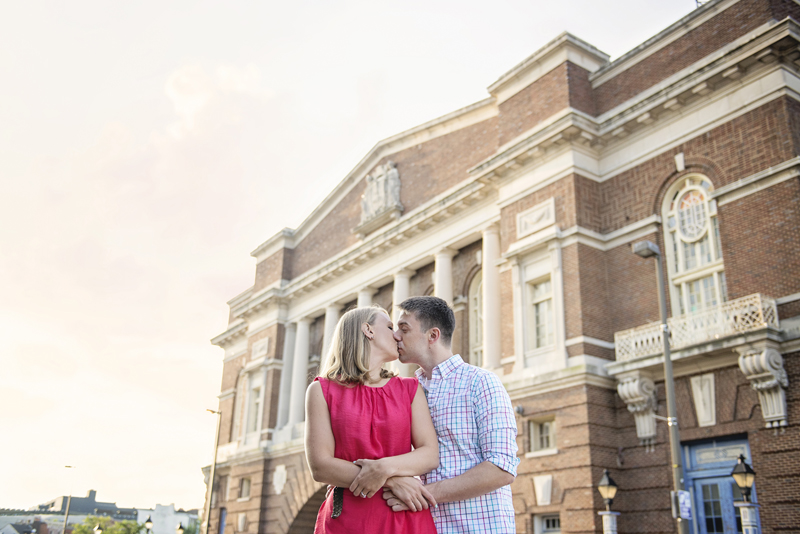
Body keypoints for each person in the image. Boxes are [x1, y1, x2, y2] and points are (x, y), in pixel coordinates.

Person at [383, 296, 519, 533]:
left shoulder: (481, 383)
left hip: (480, 527)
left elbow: (501, 468)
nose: (396, 336)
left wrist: (422, 495)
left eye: (404, 329)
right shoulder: (405, 391)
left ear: (432, 336)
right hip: (421, 526)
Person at [304, 306, 440, 533]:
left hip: (403, 514)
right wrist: (392, 480)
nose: (397, 335)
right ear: (368, 330)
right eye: (389, 327)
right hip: (349, 518)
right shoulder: (321, 390)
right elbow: (321, 466)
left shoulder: (410, 389)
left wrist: (383, 469)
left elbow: (429, 454)